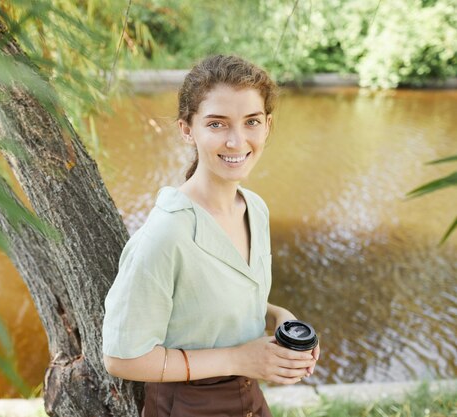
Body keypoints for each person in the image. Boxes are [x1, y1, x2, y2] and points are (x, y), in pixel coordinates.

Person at [102, 55, 320, 417]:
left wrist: (280, 316)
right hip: (187, 406)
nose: (237, 141)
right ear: (187, 130)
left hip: (248, 398)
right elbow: (122, 359)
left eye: (251, 121)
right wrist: (240, 358)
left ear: (267, 125)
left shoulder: (255, 208)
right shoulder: (165, 235)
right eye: (217, 124)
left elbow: (206, 301)